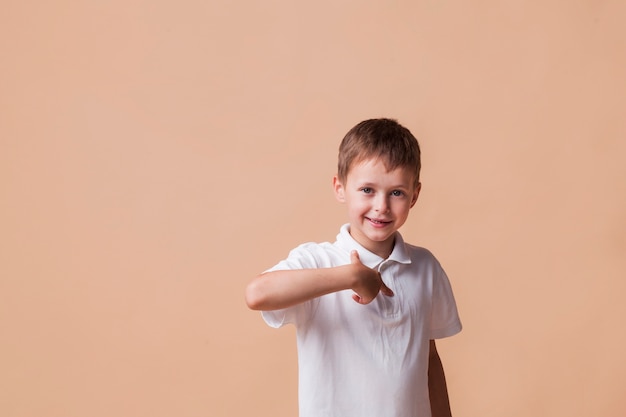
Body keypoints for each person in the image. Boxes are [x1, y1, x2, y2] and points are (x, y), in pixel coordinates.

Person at [245, 118, 462, 417]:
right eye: (367, 190)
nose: (381, 206)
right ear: (340, 187)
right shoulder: (318, 261)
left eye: (396, 192)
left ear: (415, 195)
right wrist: (350, 276)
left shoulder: (425, 267)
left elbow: (430, 360)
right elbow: (257, 294)